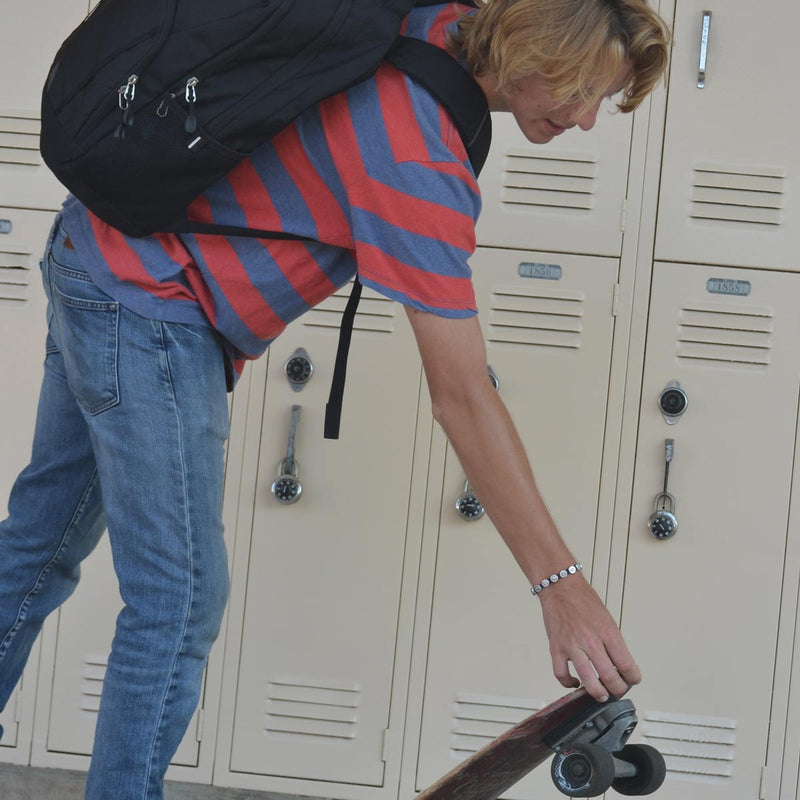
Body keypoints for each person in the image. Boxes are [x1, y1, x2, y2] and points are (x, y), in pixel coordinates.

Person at [0, 1, 670, 798]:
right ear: (539, 50)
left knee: (41, 543)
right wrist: (561, 587)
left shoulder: (432, 22)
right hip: (148, 301)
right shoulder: (416, 153)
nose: (589, 120)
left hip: (96, 252)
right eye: (583, 90)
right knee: (178, 599)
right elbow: (462, 396)